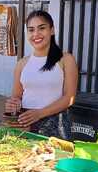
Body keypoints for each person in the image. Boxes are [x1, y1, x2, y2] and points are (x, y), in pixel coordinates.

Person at [5, 10, 78, 140]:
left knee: (55, 159)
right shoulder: (22, 63)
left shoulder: (66, 59)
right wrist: (13, 103)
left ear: (52, 30)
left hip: (56, 124)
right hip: (25, 123)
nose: (36, 34)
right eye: (31, 30)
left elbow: (69, 98)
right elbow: (16, 96)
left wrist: (40, 113)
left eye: (42, 28)